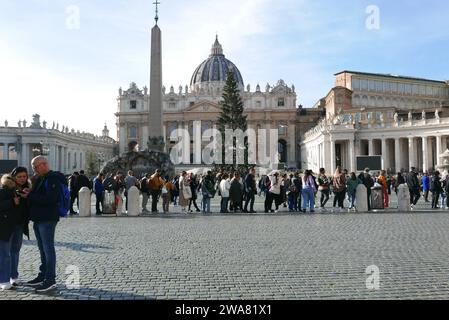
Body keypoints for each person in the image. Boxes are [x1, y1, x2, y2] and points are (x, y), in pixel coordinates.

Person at [25, 156, 67, 292]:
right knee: (42, 249)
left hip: (47, 219)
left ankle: (50, 279)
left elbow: (50, 199)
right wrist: (29, 192)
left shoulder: (52, 178)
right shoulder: (41, 178)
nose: (34, 169)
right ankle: (42, 275)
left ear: (43, 165)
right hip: (39, 218)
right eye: (33, 167)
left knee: (48, 249)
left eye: (35, 167)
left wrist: (30, 196)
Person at [9, 167, 31, 287]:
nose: (22, 179)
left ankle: (14, 276)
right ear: (13, 177)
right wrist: (14, 201)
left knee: (15, 251)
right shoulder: (7, 188)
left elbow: (29, 209)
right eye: (19, 177)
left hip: (20, 224)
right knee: (5, 252)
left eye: (24, 176)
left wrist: (28, 198)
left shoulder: (28, 189)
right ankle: (4, 276)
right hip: (7, 224)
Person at [0, 174, 21, 291]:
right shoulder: (3, 192)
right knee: (5, 255)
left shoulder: (16, 192)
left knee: (12, 253)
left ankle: (12, 276)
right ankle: (4, 280)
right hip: (4, 227)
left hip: (14, 226)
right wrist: (12, 202)